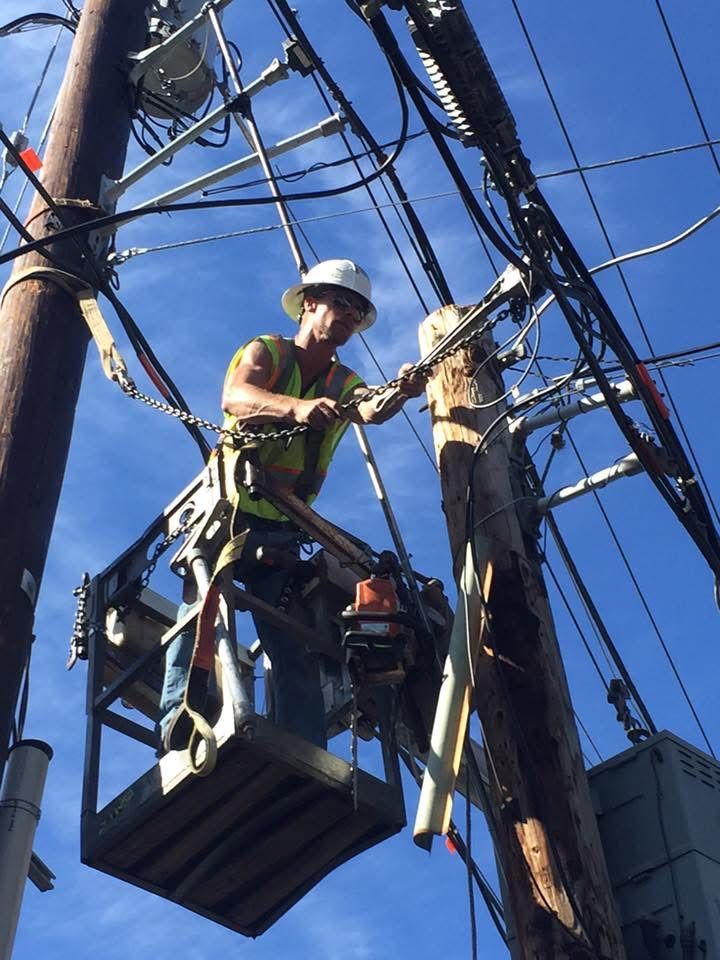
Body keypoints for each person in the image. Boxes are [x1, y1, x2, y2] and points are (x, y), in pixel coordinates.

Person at [158, 259, 427, 753]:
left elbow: (370, 407)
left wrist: (404, 391)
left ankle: (303, 747)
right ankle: (182, 717)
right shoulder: (270, 352)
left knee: (290, 640)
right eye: (341, 303)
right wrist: (298, 409)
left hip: (280, 527)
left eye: (357, 310)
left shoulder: (343, 382)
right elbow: (237, 395)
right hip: (230, 509)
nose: (349, 316)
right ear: (309, 303)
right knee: (201, 614)